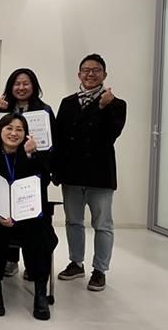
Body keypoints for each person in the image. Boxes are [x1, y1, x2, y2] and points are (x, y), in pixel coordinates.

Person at [54, 54, 126, 292]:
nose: (90, 74)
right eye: (86, 70)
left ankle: (100, 270)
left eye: (96, 70)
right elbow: (59, 138)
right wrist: (56, 170)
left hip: (100, 175)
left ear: (104, 74)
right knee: (73, 222)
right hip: (72, 174)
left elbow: (112, 134)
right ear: (79, 74)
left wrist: (104, 107)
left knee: (102, 224)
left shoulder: (116, 104)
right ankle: (76, 263)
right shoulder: (68, 103)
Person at [0, 113, 58, 321]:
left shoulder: (32, 155)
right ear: (0, 131)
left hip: (27, 216)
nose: (13, 133)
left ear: (26, 134)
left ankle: (40, 292)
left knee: (39, 233)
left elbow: (42, 185)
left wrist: (31, 156)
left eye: (19, 129)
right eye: (9, 128)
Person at [0, 68, 56, 278]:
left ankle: (34, 264)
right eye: (17, 84)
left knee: (31, 215)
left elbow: (53, 143)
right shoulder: (4, 109)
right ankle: (11, 260)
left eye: (25, 83)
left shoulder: (44, 111)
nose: (21, 87)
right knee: (7, 213)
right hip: (7, 171)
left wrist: (38, 158)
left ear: (34, 86)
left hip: (34, 170)